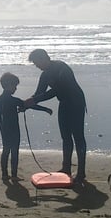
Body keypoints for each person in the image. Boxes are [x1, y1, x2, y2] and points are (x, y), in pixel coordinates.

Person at [24, 49, 88, 183]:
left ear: (44, 58)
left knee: (78, 137)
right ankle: (66, 168)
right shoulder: (45, 75)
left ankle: (81, 173)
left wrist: (35, 100)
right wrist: (26, 104)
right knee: (65, 136)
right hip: (64, 103)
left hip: (76, 102)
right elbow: (39, 93)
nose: (37, 66)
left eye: (37, 63)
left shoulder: (61, 68)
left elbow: (57, 90)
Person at [0, 72, 50, 182]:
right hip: (14, 129)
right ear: (9, 85)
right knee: (14, 151)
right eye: (14, 86)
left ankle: (4, 175)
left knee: (5, 151)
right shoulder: (13, 100)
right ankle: (14, 175)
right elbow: (29, 104)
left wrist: (1, 129)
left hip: (4, 129)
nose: (15, 88)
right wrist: (46, 109)